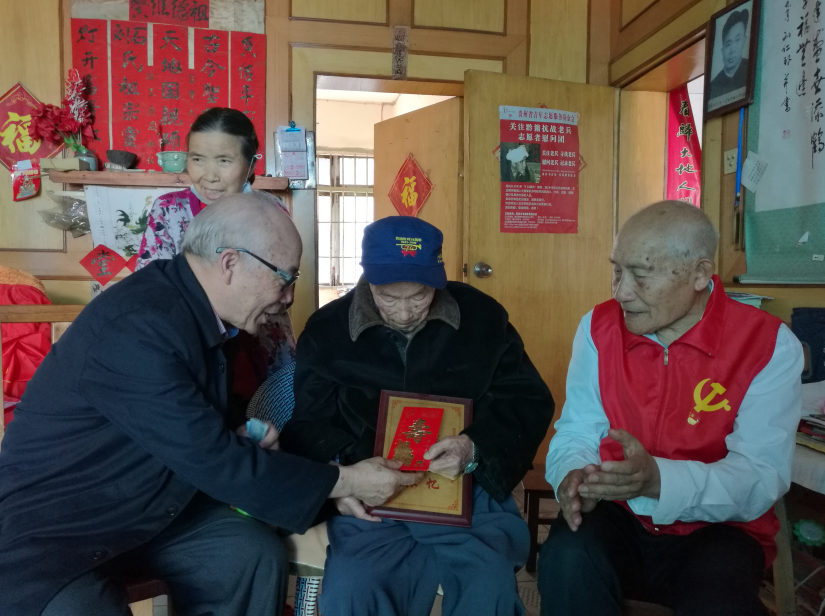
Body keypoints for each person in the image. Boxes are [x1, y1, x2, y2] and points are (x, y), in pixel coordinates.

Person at [0, 193, 418, 616]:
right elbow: (210, 457)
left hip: (154, 502)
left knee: (246, 554)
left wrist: (241, 435)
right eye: (284, 278)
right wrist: (345, 482)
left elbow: (197, 427)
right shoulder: (139, 325)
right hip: (62, 520)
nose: (290, 296)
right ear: (231, 263)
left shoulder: (199, 312)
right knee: (80, 606)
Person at [538, 201, 803, 616]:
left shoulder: (767, 344)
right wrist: (572, 475)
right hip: (619, 513)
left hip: (718, 529)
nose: (621, 292)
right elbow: (578, 429)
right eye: (617, 271)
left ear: (700, 273)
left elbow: (760, 477)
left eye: (641, 275)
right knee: (565, 562)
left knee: (719, 605)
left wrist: (659, 481)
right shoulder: (598, 327)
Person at [281, 216, 555, 616]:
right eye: (389, 298)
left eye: (420, 295)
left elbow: (526, 399)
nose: (406, 312)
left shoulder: (482, 318)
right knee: (353, 590)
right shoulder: (328, 330)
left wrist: (473, 447)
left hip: (463, 489)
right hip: (372, 494)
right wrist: (341, 481)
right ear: (368, 279)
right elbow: (308, 423)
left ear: (438, 280)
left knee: (488, 588)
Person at [138, 107, 295, 424]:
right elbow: (150, 288)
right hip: (192, 345)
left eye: (224, 161)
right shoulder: (168, 211)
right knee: (204, 426)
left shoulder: (270, 211)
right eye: (197, 159)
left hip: (261, 342)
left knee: (270, 427)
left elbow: (281, 283)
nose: (209, 175)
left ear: (251, 164)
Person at [709, 8, 749, 99]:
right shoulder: (713, 86)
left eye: (737, 40)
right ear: (722, 50)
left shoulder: (750, 70)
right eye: (728, 44)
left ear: (744, 40)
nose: (732, 50)